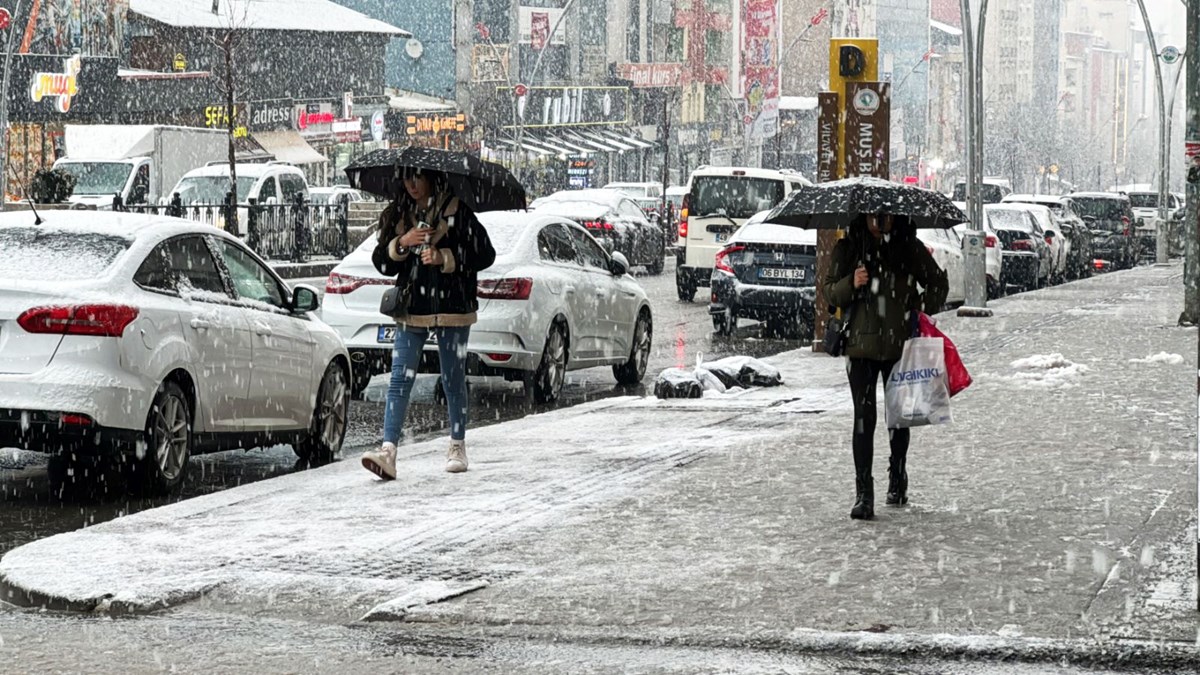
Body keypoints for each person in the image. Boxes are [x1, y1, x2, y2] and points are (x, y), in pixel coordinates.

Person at [360, 168, 496, 480]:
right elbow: (382, 262)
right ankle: (388, 451)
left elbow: (485, 254)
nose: (411, 185)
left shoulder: (457, 211)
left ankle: (457, 444)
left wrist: (444, 257)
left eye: (417, 178)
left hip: (453, 306)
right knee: (399, 378)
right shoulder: (400, 214)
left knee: (452, 378)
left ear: (432, 179)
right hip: (414, 306)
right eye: (406, 180)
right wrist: (402, 243)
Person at [822, 214, 948, 520]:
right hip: (860, 348)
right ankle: (864, 493)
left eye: (887, 216)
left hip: (899, 347)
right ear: (864, 217)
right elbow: (829, 293)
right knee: (864, 419)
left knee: (899, 418)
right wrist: (851, 282)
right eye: (875, 216)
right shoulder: (849, 248)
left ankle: (898, 477)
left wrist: (918, 307)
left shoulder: (908, 248)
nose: (881, 221)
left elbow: (938, 283)